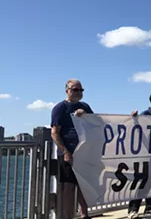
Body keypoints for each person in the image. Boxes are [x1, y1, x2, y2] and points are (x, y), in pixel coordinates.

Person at [50, 79, 93, 219]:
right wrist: (65, 151)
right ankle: (67, 216)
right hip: (68, 153)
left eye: (81, 90)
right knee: (68, 187)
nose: (78, 92)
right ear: (67, 90)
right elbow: (55, 132)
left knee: (83, 186)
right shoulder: (60, 108)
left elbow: (96, 123)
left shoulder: (85, 106)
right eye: (75, 89)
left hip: (83, 152)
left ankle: (84, 214)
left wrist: (85, 116)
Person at [127, 93, 151, 218]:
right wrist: (134, 118)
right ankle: (133, 209)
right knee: (142, 180)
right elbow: (135, 127)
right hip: (145, 154)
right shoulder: (145, 115)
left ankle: (150, 207)